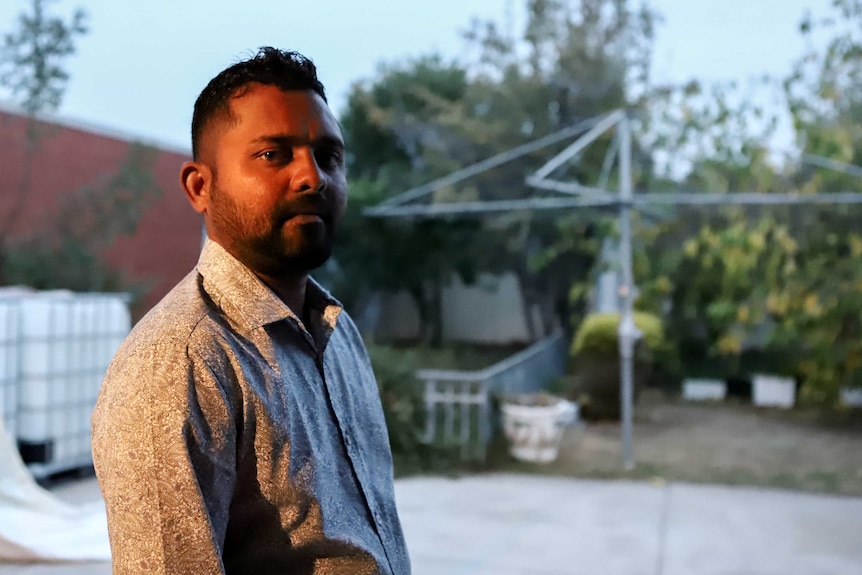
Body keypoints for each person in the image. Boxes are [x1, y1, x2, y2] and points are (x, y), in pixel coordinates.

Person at [91, 47, 411, 575]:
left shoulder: (337, 331)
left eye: (329, 156)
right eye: (274, 154)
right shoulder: (179, 361)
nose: (313, 177)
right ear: (200, 186)